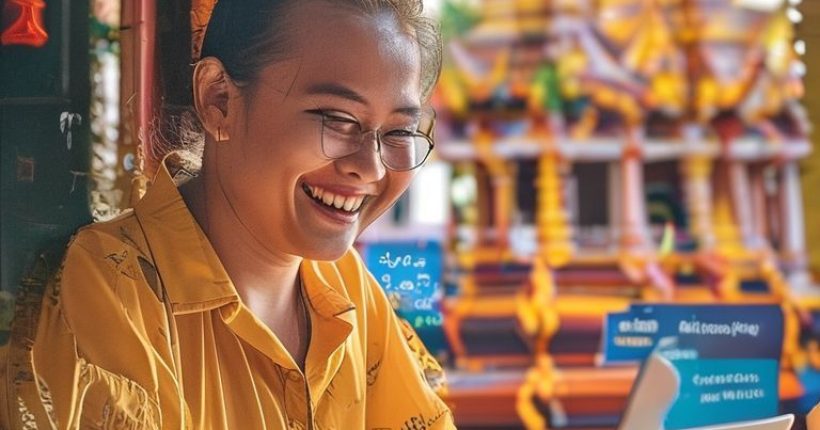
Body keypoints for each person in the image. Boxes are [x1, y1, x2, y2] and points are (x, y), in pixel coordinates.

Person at [0, 0, 455, 428]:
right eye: (336, 118)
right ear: (219, 99)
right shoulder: (114, 288)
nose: (371, 166)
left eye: (399, 131)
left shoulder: (348, 290)